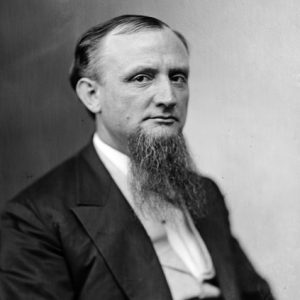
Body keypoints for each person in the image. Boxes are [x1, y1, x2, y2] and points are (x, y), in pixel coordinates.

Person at [0, 15, 274, 300]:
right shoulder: (36, 218)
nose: (168, 97)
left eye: (178, 77)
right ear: (91, 95)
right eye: (141, 78)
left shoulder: (205, 192)